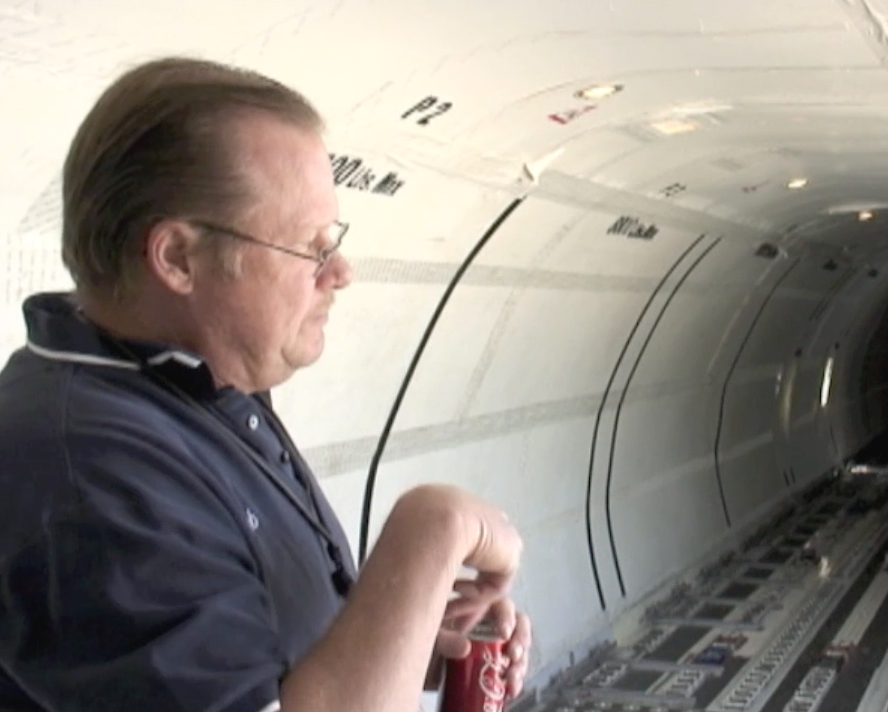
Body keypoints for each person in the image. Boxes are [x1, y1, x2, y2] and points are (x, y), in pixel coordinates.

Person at [0, 56, 531, 712]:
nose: (340, 270)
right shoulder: (88, 475)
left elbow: (272, 658)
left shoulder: (197, 386)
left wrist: (413, 627)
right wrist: (433, 529)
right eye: (308, 247)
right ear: (177, 258)